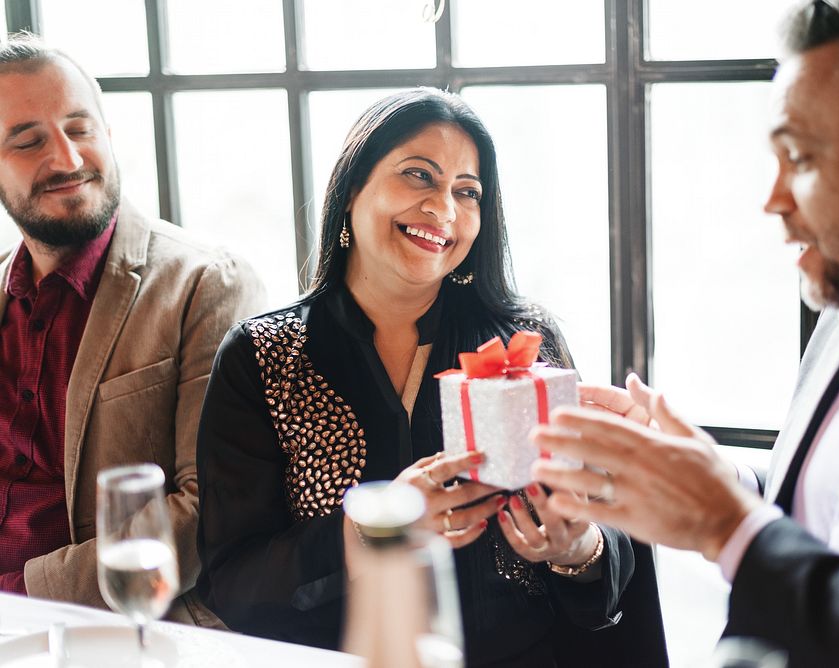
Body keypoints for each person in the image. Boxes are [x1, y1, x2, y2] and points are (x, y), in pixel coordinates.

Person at [531, 0, 839, 666]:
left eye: (800, 156)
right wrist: (714, 478)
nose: (773, 199)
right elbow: (832, 531)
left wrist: (729, 526)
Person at [195, 88, 667, 666]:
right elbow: (233, 582)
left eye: (466, 192)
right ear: (350, 190)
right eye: (419, 176)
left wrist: (578, 548)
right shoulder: (264, 357)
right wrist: (374, 528)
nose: (443, 209)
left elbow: (608, 548)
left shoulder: (522, 345)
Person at [0, 34, 265, 625]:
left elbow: (208, 513)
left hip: (129, 628)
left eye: (81, 128)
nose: (67, 159)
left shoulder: (206, 283)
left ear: (109, 135)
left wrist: (19, 594)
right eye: (28, 141)